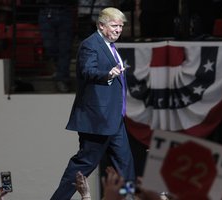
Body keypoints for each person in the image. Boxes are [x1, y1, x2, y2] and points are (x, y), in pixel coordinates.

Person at [49, 7, 135, 200]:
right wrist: (107, 75)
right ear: (101, 25)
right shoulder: (91, 44)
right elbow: (88, 70)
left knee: (125, 164)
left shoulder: (109, 46)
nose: (118, 29)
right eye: (114, 25)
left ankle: (128, 198)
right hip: (97, 120)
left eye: (121, 26)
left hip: (114, 119)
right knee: (84, 164)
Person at [38, 0, 77, 92]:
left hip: (65, 10)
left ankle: (61, 78)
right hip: (46, 10)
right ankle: (60, 70)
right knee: (49, 46)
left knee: (65, 48)